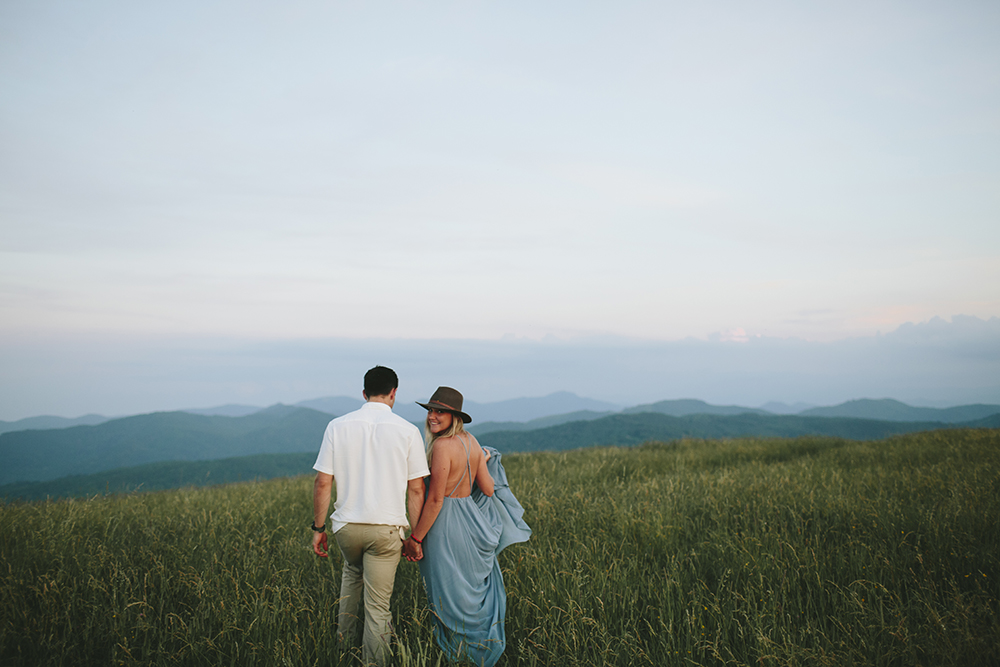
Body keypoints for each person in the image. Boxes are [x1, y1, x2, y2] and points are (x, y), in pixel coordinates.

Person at [404, 386, 532, 667]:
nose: (432, 417)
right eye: (430, 411)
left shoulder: (440, 446)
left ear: (454, 416)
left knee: (446, 591)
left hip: (445, 524)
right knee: (469, 589)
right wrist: (480, 462)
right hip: (471, 522)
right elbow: (487, 489)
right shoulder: (472, 441)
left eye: (440, 412)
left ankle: (459, 656)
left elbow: (436, 499)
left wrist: (415, 538)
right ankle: (481, 649)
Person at [311, 366, 430, 667]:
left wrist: (318, 528)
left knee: (352, 575)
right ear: (394, 394)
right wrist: (416, 537)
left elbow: (323, 482)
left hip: (347, 528)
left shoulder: (337, 426)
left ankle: (342, 652)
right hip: (386, 530)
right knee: (377, 608)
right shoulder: (407, 430)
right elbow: (416, 490)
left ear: (363, 394)